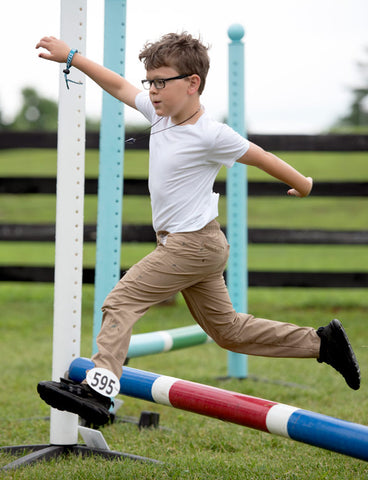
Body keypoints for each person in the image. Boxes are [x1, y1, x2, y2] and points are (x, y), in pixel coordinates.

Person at [36, 33, 360, 426]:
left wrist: (303, 183)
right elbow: (118, 84)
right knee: (228, 332)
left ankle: (99, 389)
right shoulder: (159, 116)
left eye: (161, 82)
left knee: (121, 301)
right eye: (149, 82)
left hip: (192, 245)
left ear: (193, 83)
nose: (152, 92)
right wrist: (73, 57)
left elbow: (261, 157)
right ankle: (322, 343)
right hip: (194, 246)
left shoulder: (211, 133)